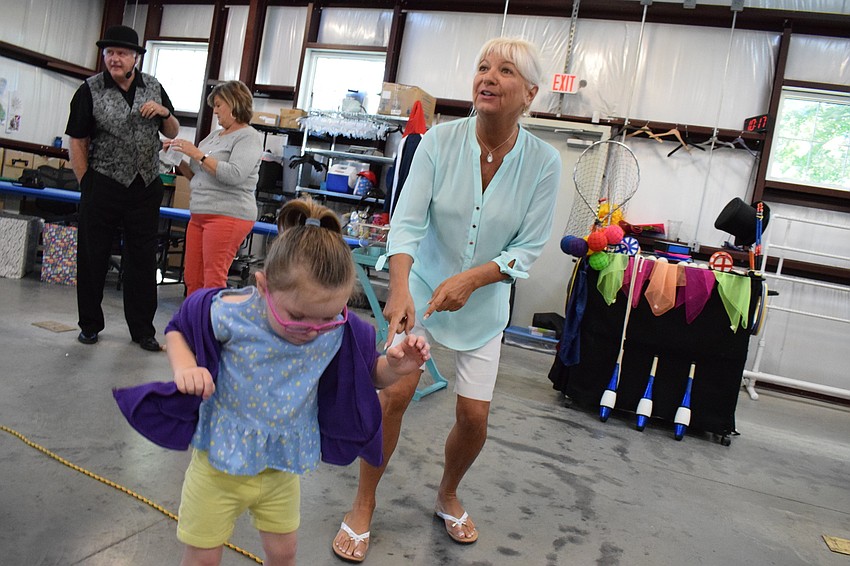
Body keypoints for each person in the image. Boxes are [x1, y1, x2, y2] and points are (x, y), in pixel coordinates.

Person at [332, 37, 562, 562]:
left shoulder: (544, 163)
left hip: (482, 309)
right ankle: (364, 501)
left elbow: (526, 249)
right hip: (422, 299)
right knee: (394, 395)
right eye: (483, 67)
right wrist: (400, 289)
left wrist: (475, 279)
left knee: (475, 418)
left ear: (529, 93)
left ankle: (448, 492)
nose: (489, 77)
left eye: (505, 71)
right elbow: (408, 224)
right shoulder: (438, 143)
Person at [166, 197, 431, 566]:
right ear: (263, 287)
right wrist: (184, 368)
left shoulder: (334, 329)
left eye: (326, 317)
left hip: (281, 467)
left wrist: (396, 367)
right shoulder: (232, 312)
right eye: (297, 316)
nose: (312, 330)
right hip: (219, 464)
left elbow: (366, 374)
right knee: (202, 558)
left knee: (284, 553)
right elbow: (178, 330)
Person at [65, 25, 179, 352]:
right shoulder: (90, 89)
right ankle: (89, 325)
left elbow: (172, 128)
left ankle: (143, 330)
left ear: (136, 58)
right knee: (93, 256)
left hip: (144, 185)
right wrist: (86, 182)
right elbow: (77, 139)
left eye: (121, 53)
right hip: (102, 183)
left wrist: (164, 112)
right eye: (109, 53)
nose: (114, 59)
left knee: (143, 259)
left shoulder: (154, 87)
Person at [163, 80, 263, 297]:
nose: (215, 111)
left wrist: (197, 154)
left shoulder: (249, 136)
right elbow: (196, 176)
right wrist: (177, 156)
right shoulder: (214, 136)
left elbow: (234, 175)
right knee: (192, 278)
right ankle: (194, 325)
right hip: (199, 214)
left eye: (219, 105)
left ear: (234, 103)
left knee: (213, 279)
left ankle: (210, 328)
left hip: (227, 215)